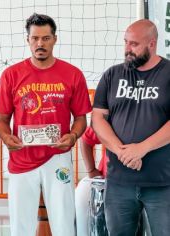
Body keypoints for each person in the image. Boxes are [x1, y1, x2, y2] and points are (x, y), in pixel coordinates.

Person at [0, 13, 91, 236]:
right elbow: (1, 121)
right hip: (21, 159)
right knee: (20, 227)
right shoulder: (11, 75)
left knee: (64, 223)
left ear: (54, 39)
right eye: (35, 38)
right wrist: (6, 137)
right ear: (28, 40)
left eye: (46, 38)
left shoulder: (73, 74)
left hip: (57, 157)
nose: (40, 44)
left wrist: (74, 136)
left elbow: (80, 119)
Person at [92, 19, 170, 235]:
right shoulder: (112, 75)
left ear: (152, 44)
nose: (127, 49)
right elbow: (98, 119)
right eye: (125, 42)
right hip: (119, 183)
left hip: (162, 183)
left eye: (134, 44)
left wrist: (142, 148)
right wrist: (121, 151)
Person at [75, 126, 107, 235]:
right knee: (81, 195)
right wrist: (91, 169)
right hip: (105, 182)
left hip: (148, 183)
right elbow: (86, 138)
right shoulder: (111, 116)